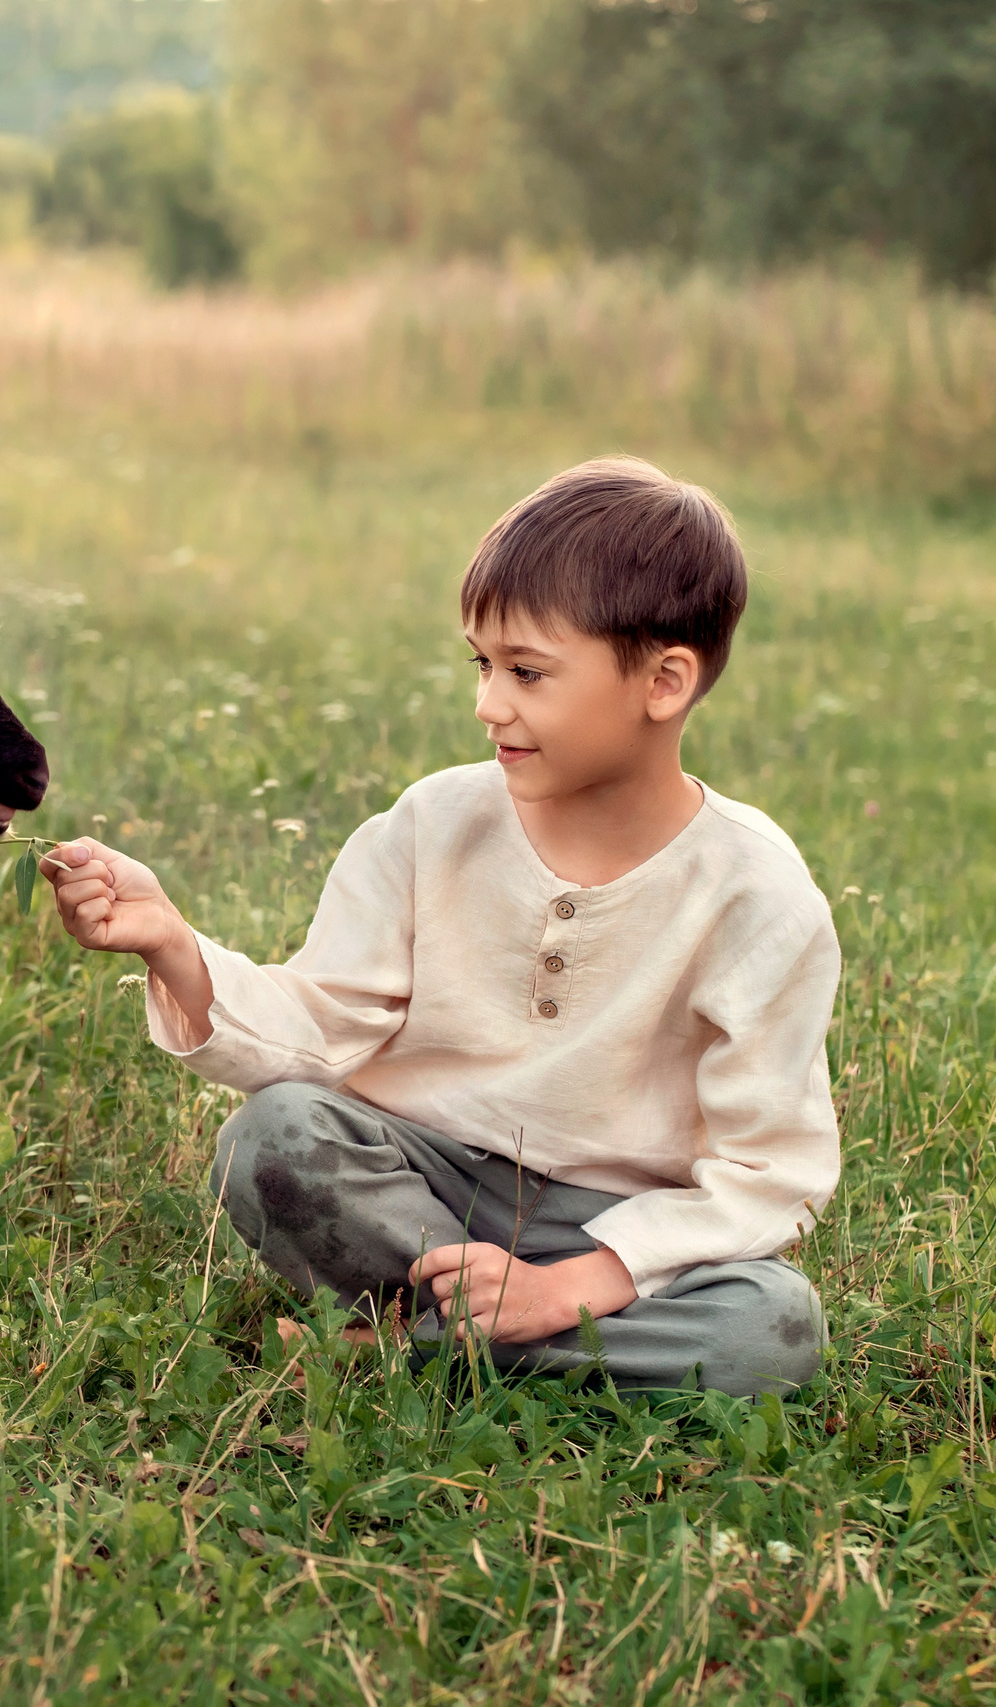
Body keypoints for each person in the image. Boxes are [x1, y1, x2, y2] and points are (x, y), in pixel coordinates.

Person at [41, 457, 837, 1396]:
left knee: (773, 1330)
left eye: (529, 672)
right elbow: (322, 1024)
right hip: (422, 1186)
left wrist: (573, 1285)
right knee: (274, 1137)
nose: (488, 704)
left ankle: (416, 1347)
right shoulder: (433, 822)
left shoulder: (756, 892)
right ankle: (478, 1332)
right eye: (484, 664)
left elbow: (766, 1173)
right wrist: (172, 941)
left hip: (621, 1233)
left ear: (663, 682)